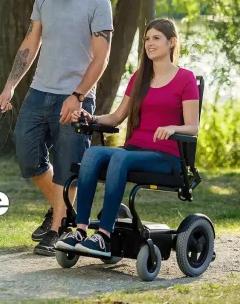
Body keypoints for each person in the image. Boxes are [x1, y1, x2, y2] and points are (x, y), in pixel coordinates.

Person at [0, 0, 113, 256]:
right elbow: (31, 42)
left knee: (67, 164)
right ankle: (62, 209)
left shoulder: (98, 2)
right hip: (38, 91)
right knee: (27, 154)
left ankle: (59, 225)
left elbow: (101, 58)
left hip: (74, 97)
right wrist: (10, 86)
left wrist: (77, 96)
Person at [55, 18, 200, 258]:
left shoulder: (185, 78)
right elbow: (116, 118)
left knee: (120, 158)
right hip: (134, 151)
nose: (149, 44)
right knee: (92, 153)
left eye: (156, 38)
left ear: (172, 42)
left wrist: (173, 127)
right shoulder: (139, 78)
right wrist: (89, 118)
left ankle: (103, 236)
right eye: (146, 39)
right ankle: (80, 231)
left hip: (167, 157)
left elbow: (193, 127)